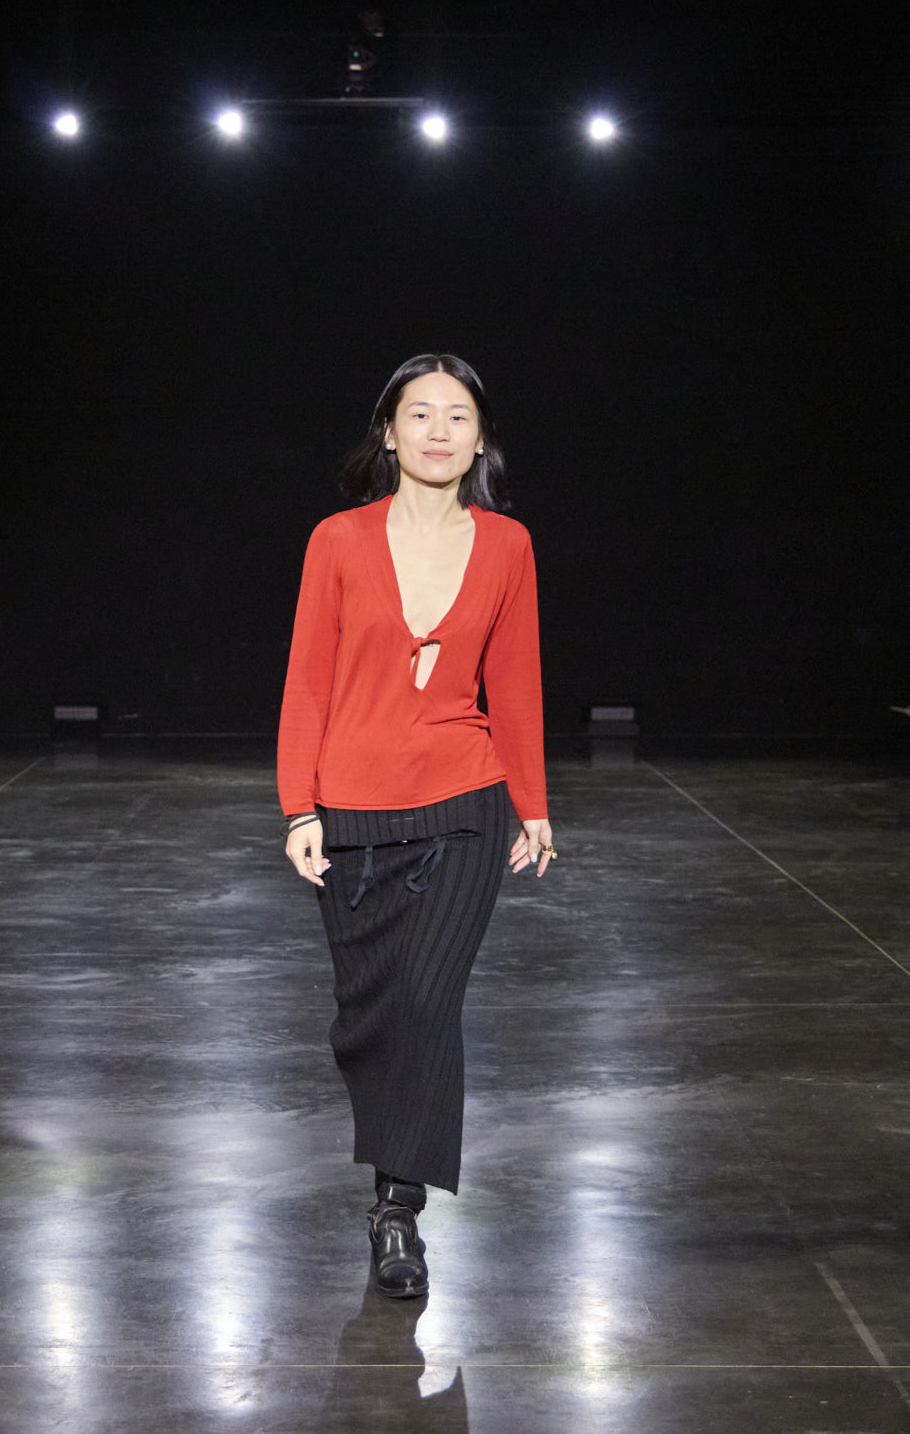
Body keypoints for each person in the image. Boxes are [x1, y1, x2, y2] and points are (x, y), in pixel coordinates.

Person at [277, 352, 554, 1299]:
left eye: (458, 417)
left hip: (463, 802)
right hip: (350, 808)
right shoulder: (337, 540)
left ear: (480, 442)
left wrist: (532, 803)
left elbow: (514, 678)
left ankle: (398, 1210)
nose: (439, 431)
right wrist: (298, 805)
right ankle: (390, 1178)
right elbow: (307, 678)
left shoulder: (506, 545)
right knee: (372, 1013)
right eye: (420, 414)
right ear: (389, 434)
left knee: (429, 1002)